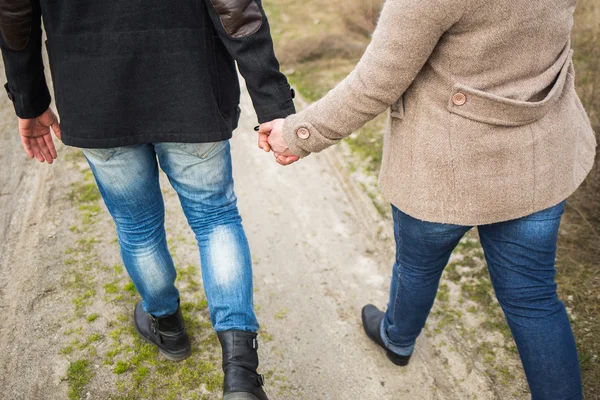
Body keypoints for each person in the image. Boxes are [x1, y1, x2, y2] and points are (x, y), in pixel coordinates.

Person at [258, 0, 597, 398]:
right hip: (537, 159)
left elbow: (375, 83)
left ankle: (397, 340)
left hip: (443, 168)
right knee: (534, 299)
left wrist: (299, 133)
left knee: (417, 268)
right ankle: (398, 338)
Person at [0, 0, 295, 399]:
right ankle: (241, 372)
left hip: (93, 90)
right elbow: (237, 6)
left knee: (137, 225)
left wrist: (29, 99)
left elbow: (15, 13)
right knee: (216, 219)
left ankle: (168, 326)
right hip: (189, 78)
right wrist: (273, 101)